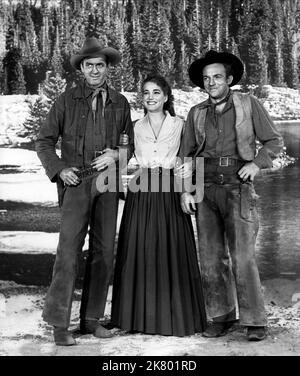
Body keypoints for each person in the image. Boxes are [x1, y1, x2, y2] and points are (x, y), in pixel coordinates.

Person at [180, 50, 283, 341]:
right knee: (211, 258)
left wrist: (256, 163)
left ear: (229, 79)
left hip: (239, 185)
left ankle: (254, 321)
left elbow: (273, 141)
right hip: (205, 188)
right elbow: (186, 155)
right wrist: (186, 190)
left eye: (217, 77)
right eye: (206, 78)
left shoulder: (249, 104)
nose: (211, 82)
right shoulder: (196, 112)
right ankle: (222, 317)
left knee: (244, 257)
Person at [36, 37, 133, 346]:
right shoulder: (66, 100)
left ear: (107, 69)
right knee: (68, 253)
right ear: (81, 69)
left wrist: (118, 155)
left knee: (104, 252)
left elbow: (128, 143)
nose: (94, 70)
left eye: (100, 65)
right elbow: (44, 141)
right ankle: (59, 324)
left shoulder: (120, 102)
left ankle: (91, 320)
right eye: (89, 65)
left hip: (107, 183)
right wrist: (60, 169)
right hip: (76, 182)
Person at [110, 74, 207, 337]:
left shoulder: (180, 125)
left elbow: (187, 161)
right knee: (138, 249)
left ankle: (174, 318)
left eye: (156, 92)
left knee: (171, 248)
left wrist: (187, 192)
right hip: (141, 190)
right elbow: (121, 158)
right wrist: (115, 181)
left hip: (169, 189)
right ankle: (136, 318)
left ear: (166, 97)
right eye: (146, 92)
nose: (150, 97)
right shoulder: (134, 127)